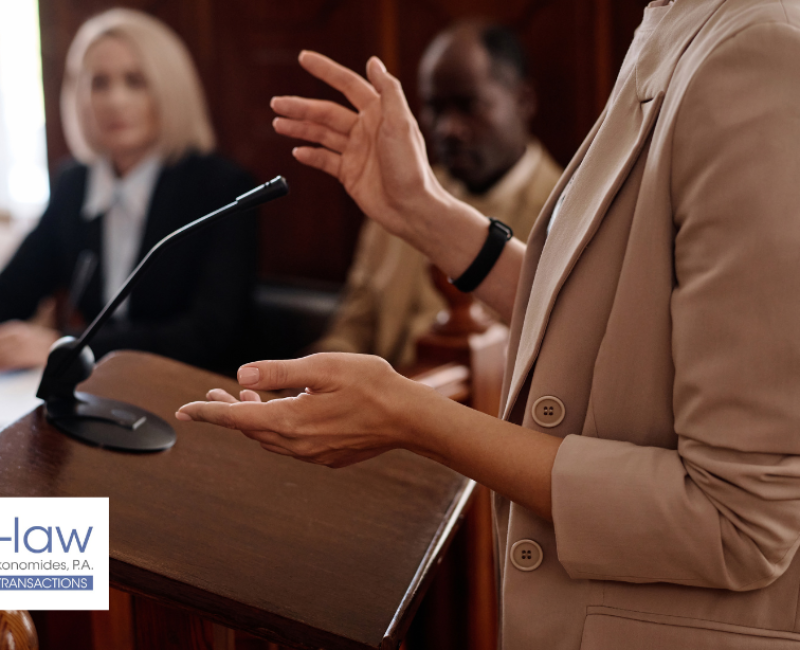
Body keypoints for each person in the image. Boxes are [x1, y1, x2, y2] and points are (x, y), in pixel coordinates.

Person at [179, 0, 800, 648]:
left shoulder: (759, 50)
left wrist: (412, 417)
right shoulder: (675, 22)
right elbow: (619, 324)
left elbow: (739, 521)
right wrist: (422, 210)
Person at [0, 8, 257, 372]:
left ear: (169, 89)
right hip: (97, 394)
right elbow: (15, 289)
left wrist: (70, 348)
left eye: (135, 81)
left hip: (191, 395)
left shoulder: (220, 188)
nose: (114, 100)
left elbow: (208, 335)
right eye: (99, 83)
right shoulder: (73, 183)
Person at [312, 21, 561, 367]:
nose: (448, 128)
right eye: (435, 107)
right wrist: (311, 380)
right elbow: (354, 324)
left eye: (468, 105)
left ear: (523, 100)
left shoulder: (565, 214)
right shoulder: (398, 192)